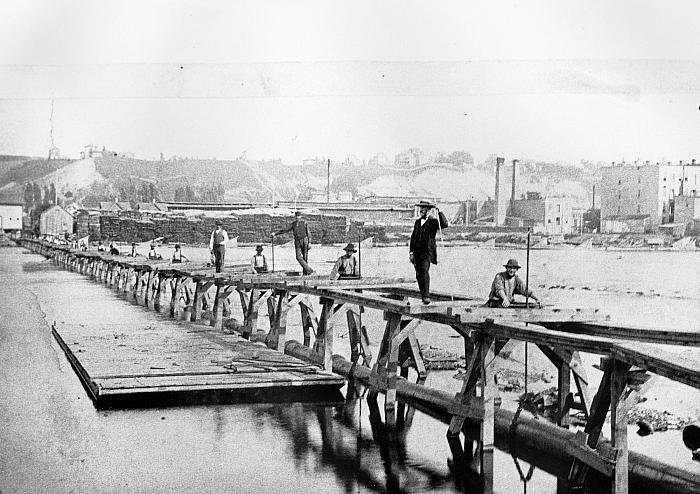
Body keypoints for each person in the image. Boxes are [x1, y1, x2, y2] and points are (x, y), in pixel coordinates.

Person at [409, 200, 448, 304]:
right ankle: (423, 295)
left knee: (424, 271)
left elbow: (444, 224)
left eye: (423, 208)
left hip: (427, 252)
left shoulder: (433, 222)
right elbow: (413, 238)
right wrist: (411, 253)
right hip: (416, 252)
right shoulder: (417, 222)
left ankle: (426, 296)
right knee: (418, 274)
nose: (421, 210)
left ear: (428, 210)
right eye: (420, 207)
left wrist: (439, 212)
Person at [273, 211, 314, 275]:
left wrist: (310, 242)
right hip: (297, 241)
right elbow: (285, 230)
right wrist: (275, 233)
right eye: (296, 216)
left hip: (305, 240)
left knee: (305, 257)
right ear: (295, 217)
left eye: (299, 216)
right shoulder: (293, 224)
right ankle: (309, 270)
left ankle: (305, 273)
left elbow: (308, 233)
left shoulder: (304, 223)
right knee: (298, 257)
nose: (298, 217)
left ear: (301, 216)